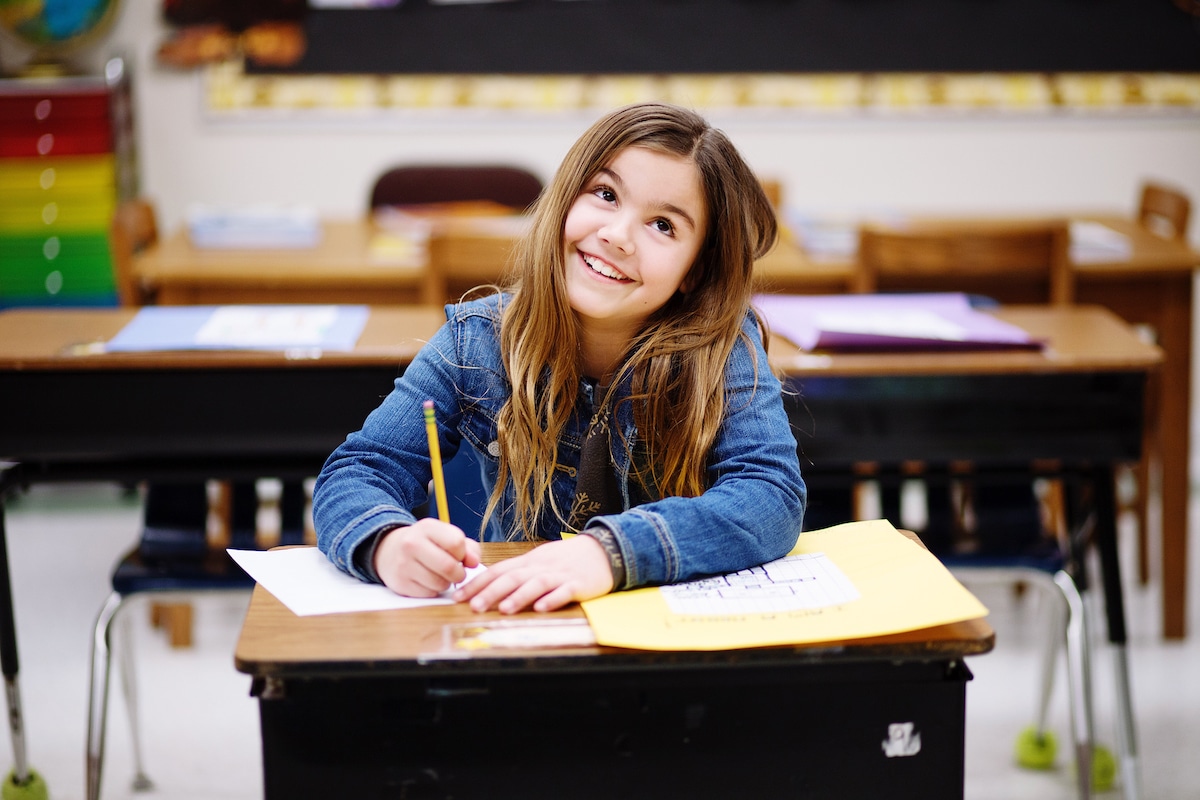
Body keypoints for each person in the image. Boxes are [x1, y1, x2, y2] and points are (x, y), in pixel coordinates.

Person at [313, 102, 806, 614]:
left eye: (662, 225)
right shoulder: (477, 341)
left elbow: (770, 495)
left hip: (673, 641)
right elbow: (360, 470)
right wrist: (386, 543)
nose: (617, 235)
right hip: (526, 631)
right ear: (566, 198)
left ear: (695, 272)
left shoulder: (721, 346)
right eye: (606, 194)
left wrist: (609, 554)